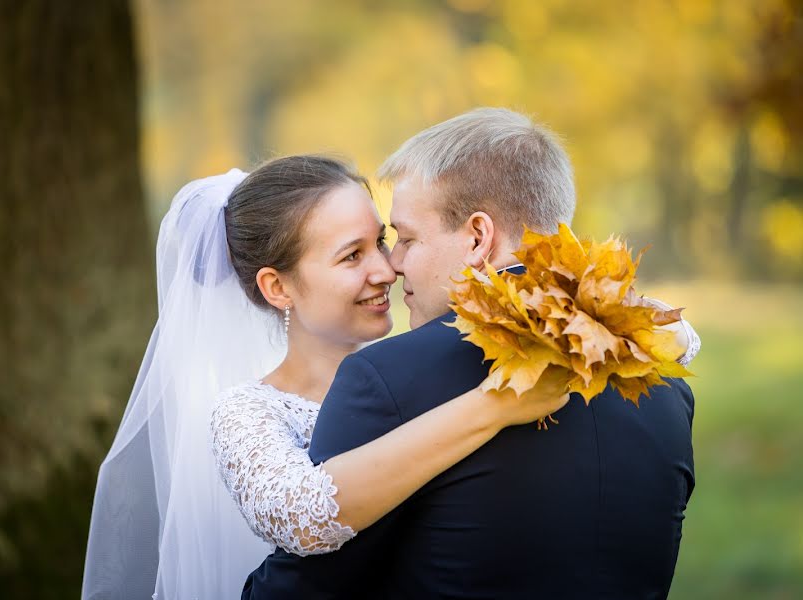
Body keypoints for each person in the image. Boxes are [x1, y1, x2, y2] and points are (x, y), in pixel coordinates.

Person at [243, 108, 698, 599]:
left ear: (478, 237)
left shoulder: (385, 379)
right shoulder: (660, 380)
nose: (393, 266)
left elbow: (303, 592)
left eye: (406, 239)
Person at [80, 156, 575, 600]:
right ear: (278, 287)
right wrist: (496, 405)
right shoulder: (247, 412)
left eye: (381, 241)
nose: (386, 269)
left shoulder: (436, 364)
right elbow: (305, 514)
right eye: (351, 256)